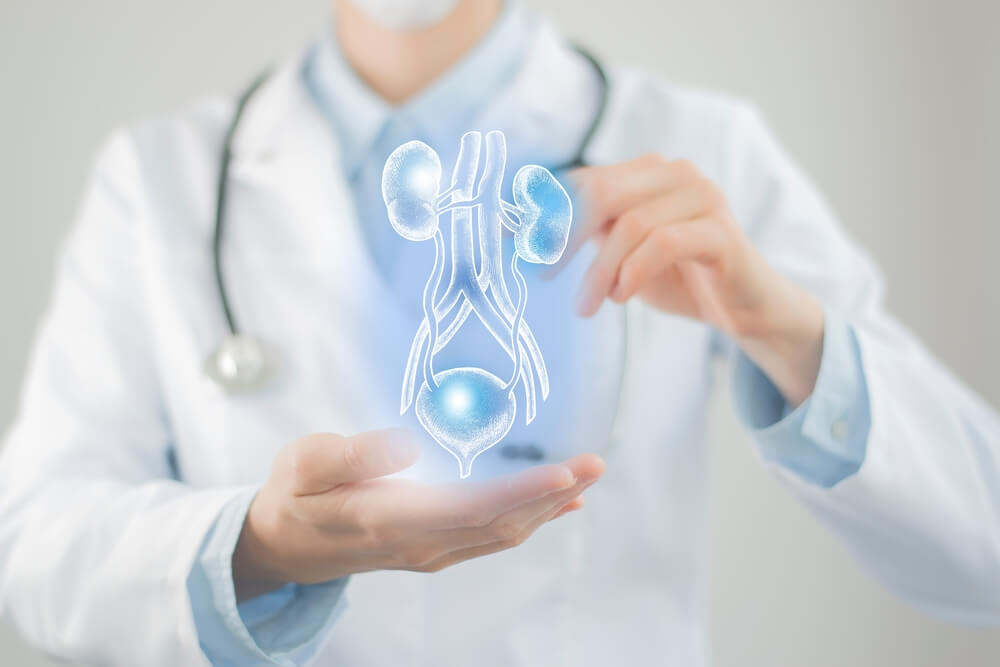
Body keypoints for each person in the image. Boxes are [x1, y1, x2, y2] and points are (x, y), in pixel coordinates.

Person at [1, 0, 998, 664]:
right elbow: (31, 547)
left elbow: (981, 552)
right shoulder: (160, 175)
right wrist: (255, 547)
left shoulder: (699, 146)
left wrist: (786, 332)